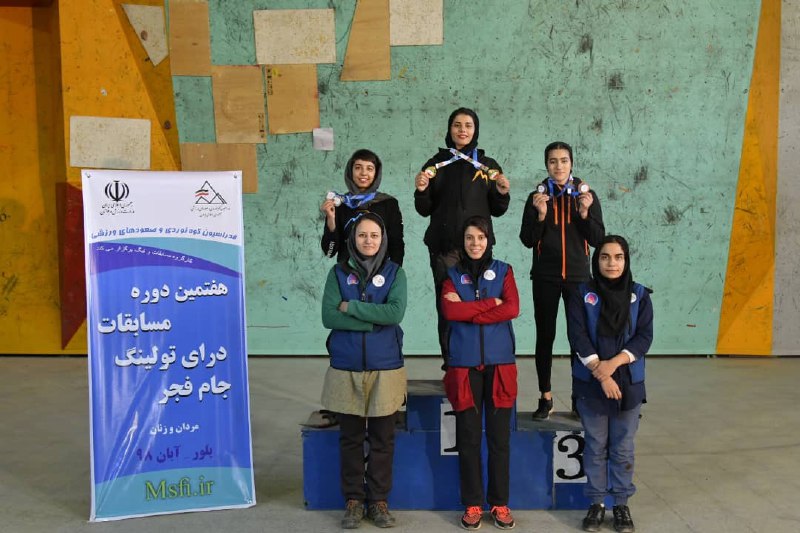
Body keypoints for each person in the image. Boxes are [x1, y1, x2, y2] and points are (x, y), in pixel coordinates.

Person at [320, 212, 407, 529]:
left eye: (374, 235)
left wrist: (353, 308)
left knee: (383, 438)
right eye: (361, 235)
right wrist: (372, 321)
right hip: (346, 365)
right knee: (351, 438)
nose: (368, 240)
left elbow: (394, 313)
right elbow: (329, 316)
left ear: (383, 239)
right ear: (352, 239)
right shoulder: (338, 273)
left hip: (386, 366)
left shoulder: (396, 273)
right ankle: (354, 501)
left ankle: (379, 501)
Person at [565, 235, 653, 533]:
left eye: (618, 257)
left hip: (628, 383)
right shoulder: (581, 294)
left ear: (626, 260)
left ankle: (621, 504)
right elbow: (578, 335)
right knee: (595, 445)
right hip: (590, 384)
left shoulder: (640, 295)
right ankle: (596, 503)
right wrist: (601, 375)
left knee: (623, 447)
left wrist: (612, 366)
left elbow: (644, 338)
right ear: (596, 260)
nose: (611, 263)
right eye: (605, 257)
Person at [441, 215, 520, 530]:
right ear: (463, 242)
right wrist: (491, 305)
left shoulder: (504, 271)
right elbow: (450, 311)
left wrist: (470, 313)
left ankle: (499, 503)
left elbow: (512, 308)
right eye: (470, 238)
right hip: (464, 365)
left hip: (501, 365)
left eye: (481, 237)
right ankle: (473, 503)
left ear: (490, 240)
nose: (475, 243)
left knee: (500, 439)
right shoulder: (451, 275)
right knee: (469, 438)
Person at [415, 108, 511, 364]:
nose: (462, 130)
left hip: (478, 249)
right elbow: (423, 209)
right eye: (457, 125)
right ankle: (452, 362)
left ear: (475, 130)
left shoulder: (488, 166)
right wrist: (422, 190)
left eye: (468, 125)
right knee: (448, 305)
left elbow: (498, 210)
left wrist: (502, 193)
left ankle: (477, 359)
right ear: (449, 129)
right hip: (444, 248)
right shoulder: (435, 164)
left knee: (479, 301)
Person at [519, 141, 605, 419]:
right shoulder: (537, 197)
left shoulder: (586, 196)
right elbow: (527, 239)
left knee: (578, 339)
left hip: (579, 279)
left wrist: (584, 214)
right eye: (553, 161)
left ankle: (579, 397)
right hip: (545, 277)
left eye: (564, 160)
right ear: (547, 165)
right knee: (545, 337)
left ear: (572, 164)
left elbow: (598, 238)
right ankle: (545, 397)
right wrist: (541, 215)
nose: (558, 166)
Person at [321, 149, 404, 265]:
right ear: (350, 171)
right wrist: (331, 219)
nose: (363, 173)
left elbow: (396, 245)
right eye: (358, 168)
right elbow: (329, 252)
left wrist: (393, 272)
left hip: (380, 272)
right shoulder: (340, 204)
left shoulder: (389, 204)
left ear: (376, 173)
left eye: (369, 168)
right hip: (347, 272)